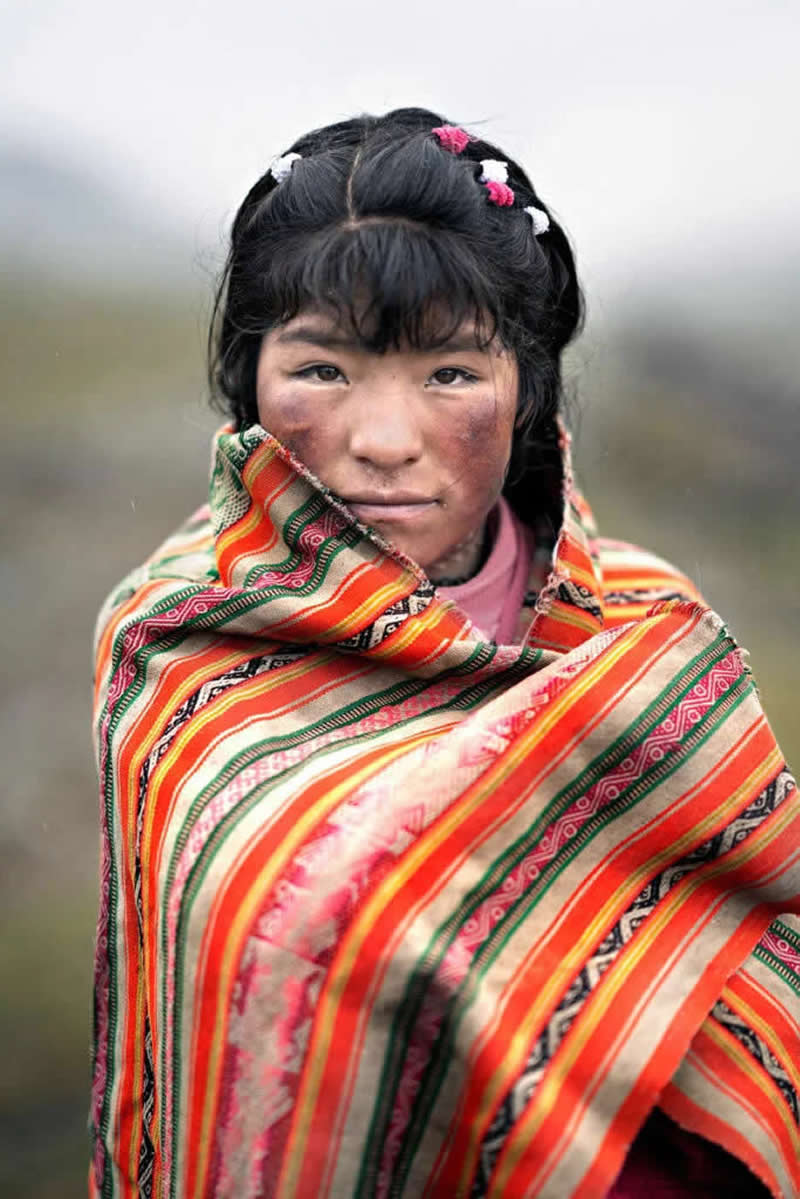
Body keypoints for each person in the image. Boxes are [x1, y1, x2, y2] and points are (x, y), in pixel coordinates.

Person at [89, 108, 799, 1198]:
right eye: (322, 369)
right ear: (249, 381)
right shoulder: (178, 643)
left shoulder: (647, 632)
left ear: (527, 391)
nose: (384, 440)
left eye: (452, 372)